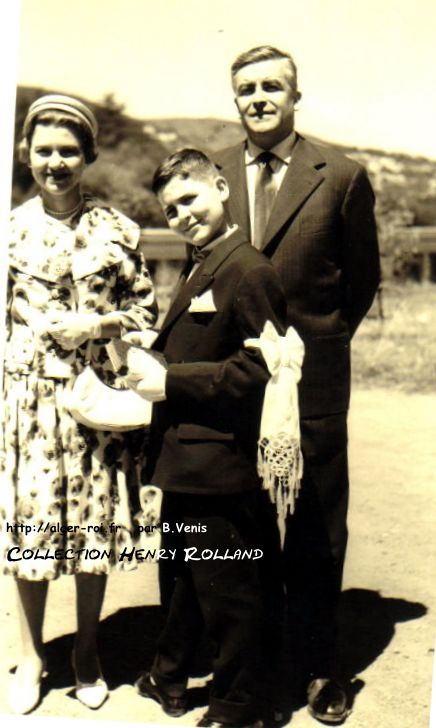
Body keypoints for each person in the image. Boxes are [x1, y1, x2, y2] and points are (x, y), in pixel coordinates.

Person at [214, 46, 381, 724]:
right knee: (239, 520)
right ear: (235, 99)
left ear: (295, 96)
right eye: (247, 88)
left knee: (313, 521)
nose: (259, 97)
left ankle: (317, 667)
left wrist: (314, 346)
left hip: (313, 378)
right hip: (234, 378)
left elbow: (361, 282)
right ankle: (247, 669)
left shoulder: (340, 175)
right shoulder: (215, 171)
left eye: (272, 86)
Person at [0, 94, 157, 714]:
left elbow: (144, 313)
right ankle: (31, 654)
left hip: (97, 404)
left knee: (94, 526)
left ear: (88, 155)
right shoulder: (8, 230)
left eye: (69, 151)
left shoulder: (118, 231)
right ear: (25, 155)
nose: (56, 163)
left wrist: (98, 326)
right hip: (30, 402)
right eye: (44, 151)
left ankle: (87, 650)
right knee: (31, 530)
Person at [123, 148, 288, 728]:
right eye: (170, 210)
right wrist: (156, 346)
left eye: (190, 199)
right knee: (187, 577)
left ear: (221, 187)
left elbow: (261, 371)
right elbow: (203, 343)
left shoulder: (248, 269)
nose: (183, 215)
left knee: (226, 590)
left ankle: (240, 704)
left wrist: (170, 379)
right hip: (186, 458)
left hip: (221, 462)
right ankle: (169, 678)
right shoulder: (202, 263)